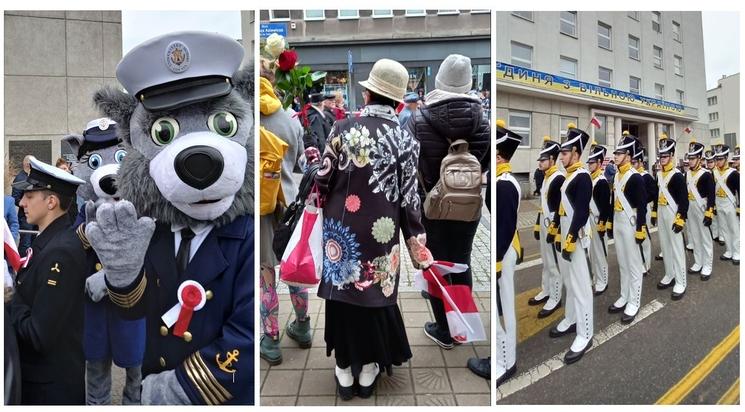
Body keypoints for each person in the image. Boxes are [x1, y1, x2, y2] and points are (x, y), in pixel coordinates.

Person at [310, 58, 433, 400]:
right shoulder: (406, 140)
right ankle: (367, 372)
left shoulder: (342, 128)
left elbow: (321, 180)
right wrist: (417, 243)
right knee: (375, 297)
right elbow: (410, 199)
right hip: (382, 235)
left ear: (367, 94)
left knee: (343, 297)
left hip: (342, 234)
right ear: (397, 101)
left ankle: (344, 368)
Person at [404, 54, 490, 349]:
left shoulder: (417, 121)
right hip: (469, 208)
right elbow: (487, 164)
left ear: (438, 81)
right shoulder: (483, 123)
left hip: (432, 207)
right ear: (469, 84)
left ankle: (444, 330)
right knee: (463, 263)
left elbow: (408, 167)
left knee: (436, 265)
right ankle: (462, 326)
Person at [10, 156, 87, 404]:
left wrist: (9, 301)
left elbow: (38, 334)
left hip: (50, 390)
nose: (21, 202)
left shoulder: (60, 253)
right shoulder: (52, 242)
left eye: (30, 196)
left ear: (51, 201)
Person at [258, 61, 310, 365]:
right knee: (293, 267)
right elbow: (301, 163)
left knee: (266, 273)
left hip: (261, 208)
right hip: (288, 202)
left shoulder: (247, 119)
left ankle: (271, 339)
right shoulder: (290, 119)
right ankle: (302, 327)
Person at [548, 124, 593, 364]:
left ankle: (586, 333)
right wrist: (556, 229)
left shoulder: (583, 176)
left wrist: (571, 238)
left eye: (564, 153)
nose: (561, 157)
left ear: (576, 153)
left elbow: (582, 211)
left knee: (582, 285)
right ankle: (571, 317)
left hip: (575, 237)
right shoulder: (569, 175)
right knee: (569, 281)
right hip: (565, 235)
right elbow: (562, 208)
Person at [607, 133, 647, 323]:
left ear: (629, 156)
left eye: (619, 153)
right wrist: (609, 222)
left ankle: (634, 301)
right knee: (622, 262)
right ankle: (624, 295)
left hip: (631, 223)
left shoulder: (636, 178)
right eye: (616, 153)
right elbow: (612, 201)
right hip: (618, 222)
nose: (615, 156)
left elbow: (642, 206)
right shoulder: (616, 176)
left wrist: (640, 229)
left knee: (633, 265)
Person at [495, 119, 522, 386]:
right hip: (502, 250)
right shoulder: (501, 180)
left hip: (501, 253)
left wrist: (497, 260)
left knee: (504, 309)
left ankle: (506, 360)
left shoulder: (504, 183)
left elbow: (505, 227)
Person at [530, 137, 563, 317]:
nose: (540, 162)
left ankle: (555, 297)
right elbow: (543, 204)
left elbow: (559, 207)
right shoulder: (546, 177)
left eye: (543, 159)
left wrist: (555, 229)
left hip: (553, 224)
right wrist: (537, 224)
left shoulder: (558, 178)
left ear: (552, 160)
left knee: (553, 263)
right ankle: (546, 290)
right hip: (544, 222)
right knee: (545, 260)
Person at [652, 137, 689, 300]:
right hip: (661, 213)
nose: (662, 159)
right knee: (665, 246)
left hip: (673, 215)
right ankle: (669, 274)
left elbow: (684, 200)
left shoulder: (677, 176)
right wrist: (654, 212)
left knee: (677, 249)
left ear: (672, 156)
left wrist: (681, 218)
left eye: (665, 156)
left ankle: (681, 281)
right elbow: (656, 195)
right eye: (661, 156)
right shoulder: (659, 175)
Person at [685, 141, 716, 281]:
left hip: (702, 207)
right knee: (695, 236)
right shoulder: (687, 174)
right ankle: (698, 262)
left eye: (692, 158)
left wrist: (709, 212)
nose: (690, 161)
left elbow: (711, 195)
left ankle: (707, 265)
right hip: (691, 208)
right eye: (689, 158)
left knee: (705, 238)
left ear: (699, 159)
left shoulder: (706, 174)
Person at [587, 142, 611, 295]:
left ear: (599, 163)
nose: (589, 165)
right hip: (589, 221)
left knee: (600, 252)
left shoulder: (602, 181)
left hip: (598, 221)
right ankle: (595, 277)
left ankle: (603, 280)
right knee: (591, 253)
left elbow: (605, 206)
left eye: (592, 162)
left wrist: (603, 223)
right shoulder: (590, 179)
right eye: (588, 162)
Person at [712, 144, 740, 264]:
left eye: (721, 159)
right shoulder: (714, 173)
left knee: (734, 228)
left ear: (726, 158)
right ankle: (729, 250)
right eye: (717, 159)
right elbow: (712, 190)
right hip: (719, 202)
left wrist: (739, 207)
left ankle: (737, 252)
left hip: (730, 203)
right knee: (724, 228)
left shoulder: (733, 173)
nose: (718, 162)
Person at [632, 143, 656, 276]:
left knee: (644, 236)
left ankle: (646, 264)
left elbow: (653, 193)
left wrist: (642, 200)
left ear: (640, 162)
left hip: (642, 208)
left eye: (634, 162)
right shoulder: (630, 175)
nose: (632, 163)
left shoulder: (646, 176)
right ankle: (637, 261)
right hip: (630, 211)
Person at [11, 156, 38, 256]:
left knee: (34, 243)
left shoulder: (32, 176)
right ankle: (22, 268)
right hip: (25, 218)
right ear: (28, 164)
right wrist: (28, 204)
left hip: (35, 216)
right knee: (25, 244)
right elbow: (15, 199)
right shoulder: (20, 178)